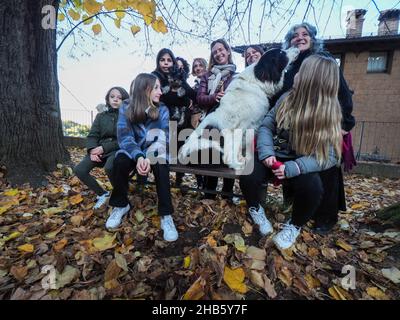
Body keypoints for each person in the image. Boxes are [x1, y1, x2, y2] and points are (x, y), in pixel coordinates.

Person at [240, 54, 343, 250]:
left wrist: (296, 166)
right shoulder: (286, 98)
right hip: (272, 154)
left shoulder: (330, 113)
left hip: (299, 162)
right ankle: (255, 207)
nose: (294, 74)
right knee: (248, 172)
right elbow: (266, 126)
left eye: (300, 72)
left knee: (313, 188)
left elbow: (330, 156)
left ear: (312, 80)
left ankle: (294, 225)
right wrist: (266, 153)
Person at [271, 22, 356, 232]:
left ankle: (325, 219)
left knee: (325, 170)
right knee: (298, 169)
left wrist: (344, 123)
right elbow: (279, 96)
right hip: (295, 127)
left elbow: (343, 94)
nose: (299, 38)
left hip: (322, 125)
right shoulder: (288, 66)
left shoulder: (325, 61)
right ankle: (300, 211)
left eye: (304, 34)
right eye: (295, 35)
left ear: (312, 38)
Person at [105, 73, 178, 242]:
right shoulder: (126, 106)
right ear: (145, 89)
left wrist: (148, 156)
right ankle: (120, 204)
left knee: (161, 164)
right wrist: (139, 156)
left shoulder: (163, 109)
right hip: (133, 150)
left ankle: (166, 214)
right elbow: (125, 136)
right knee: (120, 161)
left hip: (155, 150)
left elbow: (163, 137)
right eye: (156, 88)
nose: (160, 92)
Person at [74, 86, 129, 210]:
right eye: (112, 97)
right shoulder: (101, 116)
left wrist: (104, 148)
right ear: (108, 99)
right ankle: (103, 194)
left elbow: (124, 139)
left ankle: (120, 196)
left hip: (116, 149)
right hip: (98, 150)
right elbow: (93, 135)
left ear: (125, 100)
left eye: (119, 98)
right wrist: (92, 150)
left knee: (110, 167)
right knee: (79, 169)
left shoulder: (127, 117)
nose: (115, 99)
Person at [196, 39, 237, 200]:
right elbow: (200, 98)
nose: (219, 54)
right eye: (215, 52)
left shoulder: (236, 75)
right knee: (211, 158)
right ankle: (209, 195)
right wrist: (214, 97)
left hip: (230, 122)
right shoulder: (207, 76)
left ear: (227, 51)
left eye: (221, 50)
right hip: (211, 121)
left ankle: (227, 195)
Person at [152, 49, 196, 187]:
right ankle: (159, 180)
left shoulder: (177, 76)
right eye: (162, 60)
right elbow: (164, 98)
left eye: (168, 60)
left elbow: (192, 94)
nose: (166, 63)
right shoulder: (155, 77)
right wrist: (183, 100)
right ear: (158, 61)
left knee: (178, 146)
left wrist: (187, 98)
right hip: (160, 120)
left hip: (179, 122)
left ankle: (179, 179)